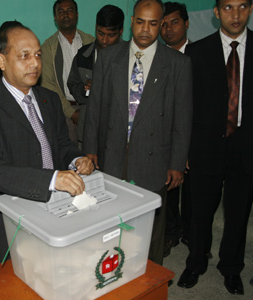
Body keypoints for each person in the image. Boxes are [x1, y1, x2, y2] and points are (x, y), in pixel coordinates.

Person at [0, 23, 94, 267]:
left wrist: (76, 159)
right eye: (24, 56)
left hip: (56, 209)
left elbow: (61, 144)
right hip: (12, 219)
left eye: (37, 55)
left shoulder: (50, 99)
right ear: (2, 61)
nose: (35, 63)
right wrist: (51, 179)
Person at [83, 0, 192, 265]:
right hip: (113, 151)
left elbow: (183, 117)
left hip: (154, 156)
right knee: (111, 219)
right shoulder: (109, 57)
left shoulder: (177, 63)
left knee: (151, 227)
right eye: (141, 21)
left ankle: (148, 278)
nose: (146, 29)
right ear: (131, 22)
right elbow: (95, 106)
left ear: (161, 24)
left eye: (154, 23)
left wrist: (177, 162)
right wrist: (90, 148)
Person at [177, 0, 253, 295]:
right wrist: (184, 150)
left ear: (251, 9)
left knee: (238, 214)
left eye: (241, 7)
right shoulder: (198, 52)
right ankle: (196, 263)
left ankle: (231, 268)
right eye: (227, 7)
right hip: (205, 146)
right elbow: (187, 107)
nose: (235, 15)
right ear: (216, 12)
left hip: (248, 146)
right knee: (200, 212)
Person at [159, 1, 191, 258]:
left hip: (196, 136)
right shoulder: (156, 57)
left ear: (186, 23)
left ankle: (192, 233)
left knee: (194, 194)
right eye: (164, 24)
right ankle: (170, 232)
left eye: (175, 23)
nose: (168, 30)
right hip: (164, 137)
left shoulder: (200, 55)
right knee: (168, 190)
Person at [67, 4, 124, 146]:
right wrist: (85, 90)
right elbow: (72, 83)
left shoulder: (129, 57)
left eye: (111, 35)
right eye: (100, 33)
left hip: (118, 130)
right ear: (95, 28)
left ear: (121, 31)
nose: (104, 40)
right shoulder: (83, 55)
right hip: (89, 129)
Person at [41, 0, 95, 142]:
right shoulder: (48, 47)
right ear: (55, 17)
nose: (65, 15)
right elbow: (48, 84)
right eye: (61, 11)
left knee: (91, 154)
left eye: (69, 10)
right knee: (68, 157)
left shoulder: (90, 42)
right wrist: (71, 113)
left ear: (77, 15)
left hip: (90, 109)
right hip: (62, 111)